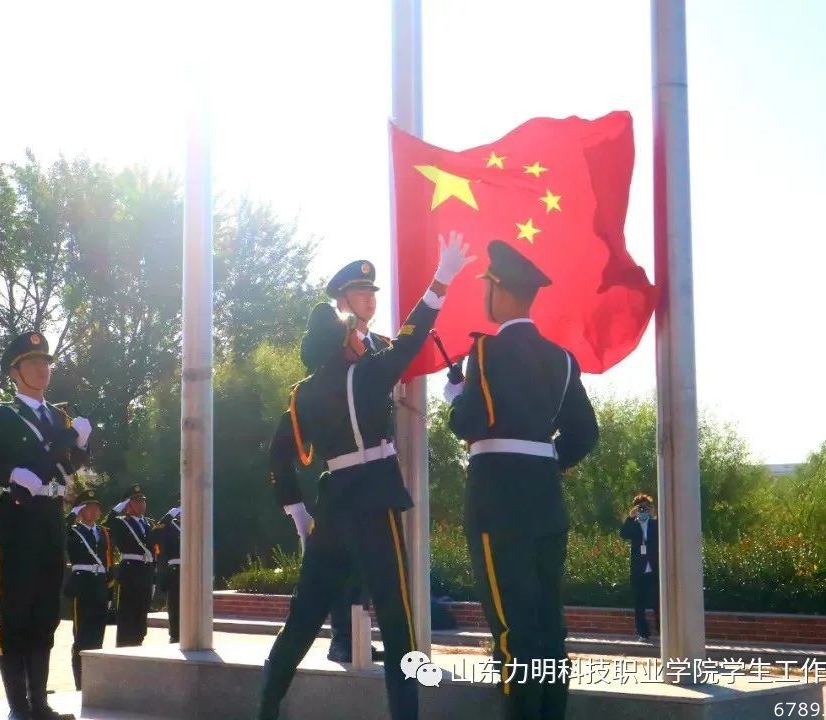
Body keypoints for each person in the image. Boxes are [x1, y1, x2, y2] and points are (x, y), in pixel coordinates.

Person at [258, 231, 473, 720]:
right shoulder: (366, 375)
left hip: (332, 506)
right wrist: (442, 279)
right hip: (373, 503)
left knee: (302, 617)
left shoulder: (306, 391)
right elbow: (414, 338)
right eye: (353, 329)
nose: (363, 333)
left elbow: (278, 456)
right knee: (398, 626)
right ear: (343, 339)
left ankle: (265, 710)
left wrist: (297, 513)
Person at [446, 240, 599, 720]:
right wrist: (545, 463)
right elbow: (585, 433)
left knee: (513, 631)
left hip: (498, 504)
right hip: (545, 502)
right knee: (548, 627)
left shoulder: (486, 353)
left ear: (500, 291)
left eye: (486, 287)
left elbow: (468, 423)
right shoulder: (563, 359)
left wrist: (455, 393)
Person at [0, 330, 92, 720]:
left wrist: (82, 445)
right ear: (14, 372)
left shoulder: (58, 416)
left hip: (51, 516)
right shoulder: (2, 416)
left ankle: (40, 704)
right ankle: (19, 707)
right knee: (16, 612)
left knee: (47, 612)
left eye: (46, 362)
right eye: (33, 362)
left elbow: (67, 466)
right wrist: (11, 472)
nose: (43, 369)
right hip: (17, 519)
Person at [271, 258, 391, 663]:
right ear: (342, 301)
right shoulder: (326, 360)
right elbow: (282, 449)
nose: (369, 300)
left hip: (383, 472)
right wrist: (298, 511)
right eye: (360, 293)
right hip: (344, 473)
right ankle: (344, 636)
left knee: (377, 564)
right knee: (342, 566)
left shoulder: (384, 349)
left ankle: (366, 634)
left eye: (373, 293)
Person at [64, 489, 114, 690]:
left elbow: (108, 562)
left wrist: (109, 591)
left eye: (96, 508)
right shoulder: (73, 531)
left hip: (100, 586)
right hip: (82, 586)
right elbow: (59, 529)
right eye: (89, 508)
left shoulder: (103, 533)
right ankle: (80, 683)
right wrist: (71, 513)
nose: (94, 512)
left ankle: (94, 683)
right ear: (80, 511)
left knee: (97, 636)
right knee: (82, 637)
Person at [107, 484, 156, 648]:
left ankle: (138, 643)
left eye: (143, 500)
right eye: (136, 500)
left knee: (142, 613)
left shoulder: (149, 524)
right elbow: (108, 522)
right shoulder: (122, 523)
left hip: (146, 572)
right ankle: (124, 646)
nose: (141, 503)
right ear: (128, 504)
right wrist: (120, 506)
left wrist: (154, 578)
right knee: (127, 613)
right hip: (130, 572)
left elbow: (154, 552)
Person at [620, 493, 659, 642]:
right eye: (640, 508)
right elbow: (623, 534)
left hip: (654, 570)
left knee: (658, 603)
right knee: (639, 605)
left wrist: (654, 515)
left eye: (646, 508)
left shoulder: (655, 524)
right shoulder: (633, 525)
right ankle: (643, 633)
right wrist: (630, 517)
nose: (643, 511)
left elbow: (665, 532)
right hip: (638, 571)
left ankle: (663, 632)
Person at [151, 505, 181, 643]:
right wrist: (171, 514)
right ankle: (175, 634)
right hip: (176, 568)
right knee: (175, 603)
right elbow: (155, 532)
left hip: (194, 568)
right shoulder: (170, 526)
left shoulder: (196, 523)